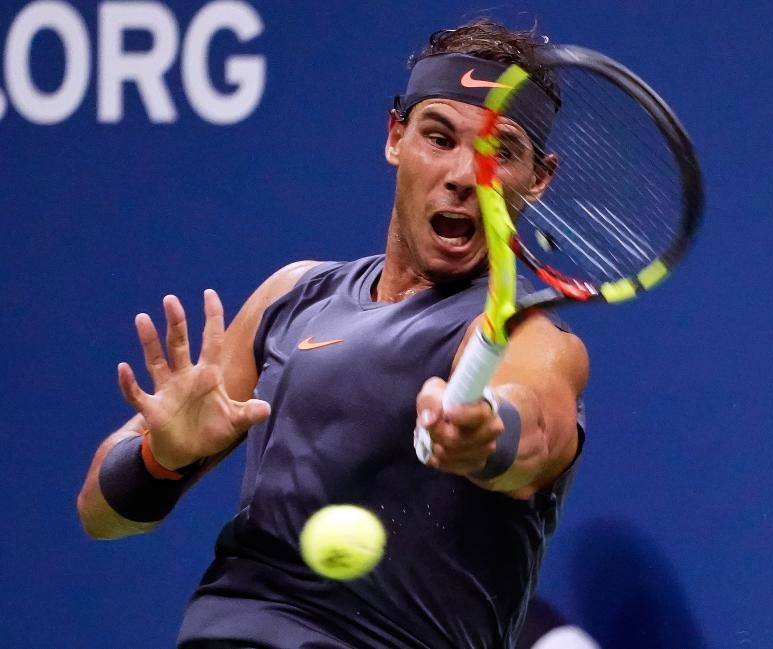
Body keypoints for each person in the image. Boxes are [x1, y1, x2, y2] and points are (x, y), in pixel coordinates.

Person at [77, 19, 589, 649]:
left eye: (501, 150)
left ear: (538, 178)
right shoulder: (292, 295)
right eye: (439, 137)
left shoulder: (535, 340)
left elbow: (536, 429)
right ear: (395, 137)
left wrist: (485, 437)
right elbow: (101, 517)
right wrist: (163, 454)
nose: (464, 174)